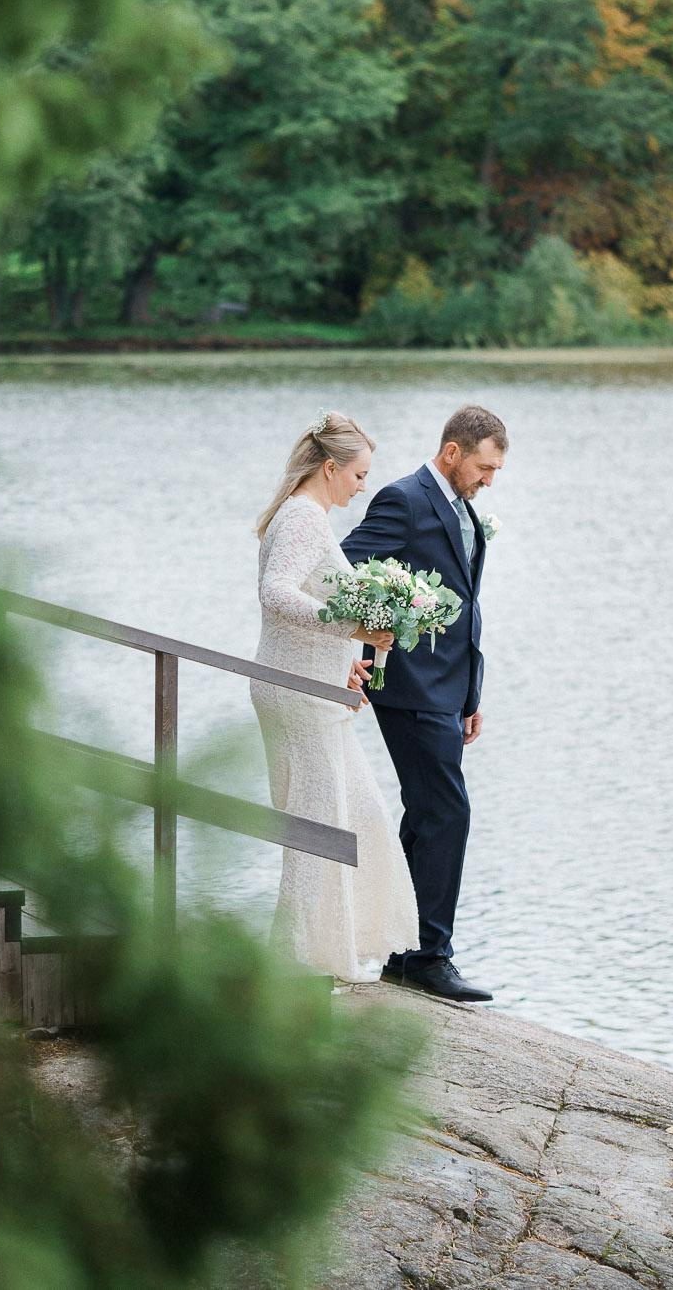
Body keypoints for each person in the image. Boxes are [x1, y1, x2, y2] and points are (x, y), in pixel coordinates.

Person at [342, 404, 506, 1003]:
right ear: (452, 452)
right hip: (409, 685)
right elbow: (345, 566)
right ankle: (430, 955)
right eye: (484, 468)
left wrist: (470, 694)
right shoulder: (405, 499)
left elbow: (467, 604)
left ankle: (402, 950)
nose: (488, 480)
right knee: (447, 811)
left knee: (427, 813)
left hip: (449, 688)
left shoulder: (463, 508)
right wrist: (378, 631)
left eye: (495, 471)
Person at [249, 412, 419, 982]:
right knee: (321, 826)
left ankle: (316, 952)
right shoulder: (303, 517)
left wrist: (342, 662)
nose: (363, 486)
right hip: (297, 696)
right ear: (330, 467)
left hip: (310, 688)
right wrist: (353, 629)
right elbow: (276, 595)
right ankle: (299, 961)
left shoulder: (306, 516)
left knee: (354, 817)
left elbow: (302, 603)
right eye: (359, 475)